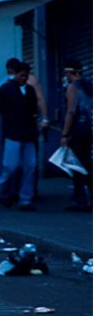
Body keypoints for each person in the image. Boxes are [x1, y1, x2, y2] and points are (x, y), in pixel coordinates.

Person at [0, 60, 40, 211]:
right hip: (12, 133)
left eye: (26, 75)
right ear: (15, 74)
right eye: (22, 75)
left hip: (28, 134)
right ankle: (2, 191)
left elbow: (34, 111)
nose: (24, 78)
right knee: (11, 166)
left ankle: (25, 199)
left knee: (30, 166)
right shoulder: (6, 89)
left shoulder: (30, 91)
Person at [59, 59, 92, 211]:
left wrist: (64, 134)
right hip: (90, 129)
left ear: (72, 73)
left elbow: (71, 112)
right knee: (88, 164)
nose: (66, 76)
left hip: (78, 130)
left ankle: (80, 200)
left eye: (67, 73)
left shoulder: (73, 87)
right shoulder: (89, 85)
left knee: (77, 165)